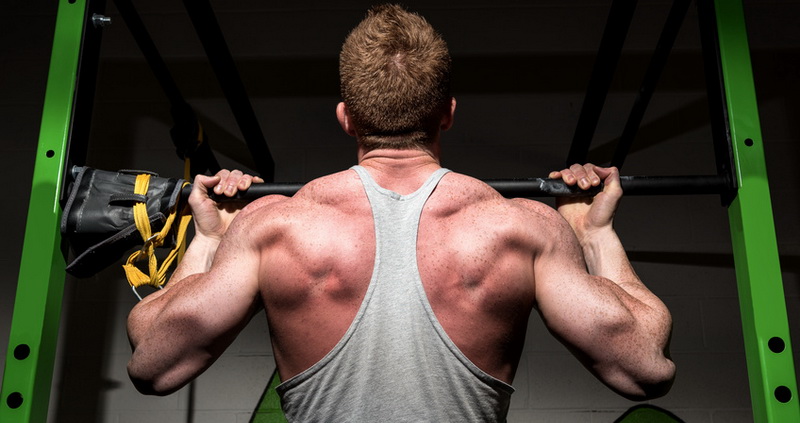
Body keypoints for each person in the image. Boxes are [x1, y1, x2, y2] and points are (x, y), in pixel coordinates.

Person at [126, 4, 675, 421]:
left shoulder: (272, 227)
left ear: (346, 118)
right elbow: (646, 365)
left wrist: (209, 238)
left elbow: (152, 360)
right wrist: (594, 233)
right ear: (449, 114)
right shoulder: (523, 229)